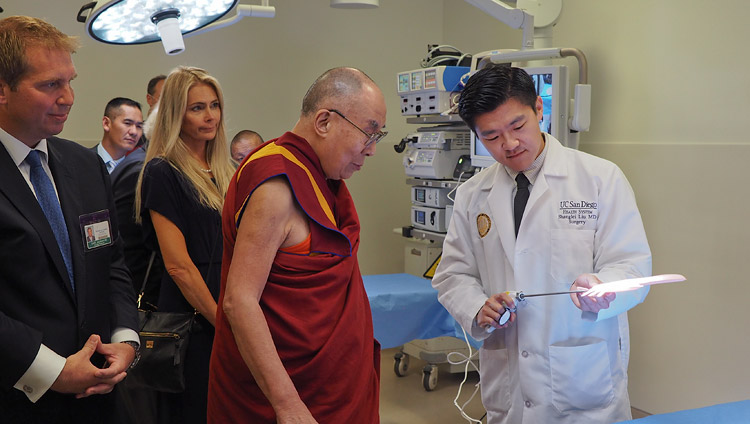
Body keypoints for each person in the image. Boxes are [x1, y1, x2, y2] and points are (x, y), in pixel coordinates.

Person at [431, 64, 652, 424]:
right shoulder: (473, 195)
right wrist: (477, 307)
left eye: (517, 126)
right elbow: (453, 273)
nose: (509, 144)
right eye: (491, 136)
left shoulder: (599, 179)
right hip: (510, 377)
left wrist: (603, 286)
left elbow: (632, 265)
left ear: (538, 109)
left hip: (583, 376)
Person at [208, 67, 386, 423]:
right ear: (323, 121)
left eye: (379, 136)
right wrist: (287, 404)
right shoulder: (276, 185)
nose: (372, 150)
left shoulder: (318, 175)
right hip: (285, 395)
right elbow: (239, 301)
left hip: (332, 383)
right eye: (368, 133)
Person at [0, 15, 139, 423]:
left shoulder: (84, 165)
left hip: (100, 395)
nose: (70, 97)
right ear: (2, 90)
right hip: (17, 398)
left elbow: (111, 262)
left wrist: (126, 341)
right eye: (50, 85)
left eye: (69, 81)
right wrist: (52, 370)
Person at [134, 66, 234, 424]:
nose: (210, 116)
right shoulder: (163, 171)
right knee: (198, 409)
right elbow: (178, 265)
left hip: (228, 305)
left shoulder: (225, 169)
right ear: (176, 112)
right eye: (197, 108)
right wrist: (222, 320)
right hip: (193, 318)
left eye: (214, 105)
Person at [92, 97, 144, 173]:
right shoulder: (82, 162)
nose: (134, 132)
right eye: (127, 123)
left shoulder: (139, 170)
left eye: (139, 126)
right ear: (106, 123)